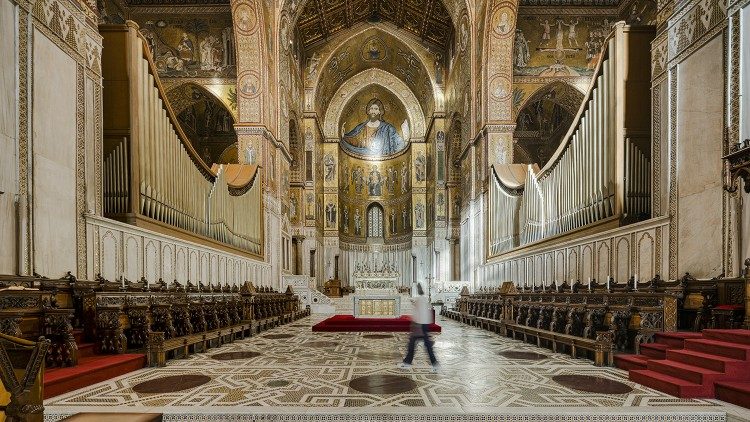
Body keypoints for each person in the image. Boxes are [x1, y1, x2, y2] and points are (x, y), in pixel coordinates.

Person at [398, 283, 439, 372]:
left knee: (413, 345)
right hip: (424, 325)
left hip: (420, 325)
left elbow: (417, 313)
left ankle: (407, 363)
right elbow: (426, 313)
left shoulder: (419, 300)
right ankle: (434, 363)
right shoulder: (424, 299)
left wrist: (414, 324)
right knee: (424, 345)